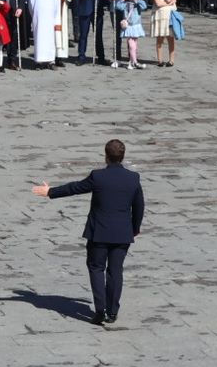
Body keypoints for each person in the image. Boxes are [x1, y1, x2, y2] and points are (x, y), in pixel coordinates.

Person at [31, 138, 145, 326]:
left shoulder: (98, 176)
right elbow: (139, 206)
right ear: (122, 157)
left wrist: (50, 191)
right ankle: (112, 312)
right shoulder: (133, 178)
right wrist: (135, 228)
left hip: (99, 233)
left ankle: (100, 309)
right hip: (122, 234)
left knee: (96, 268)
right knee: (115, 271)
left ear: (106, 156)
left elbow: (75, 188)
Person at [28, 0, 63, 70]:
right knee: (39, 40)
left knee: (50, 40)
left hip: (49, 20)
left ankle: (51, 61)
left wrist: (54, 19)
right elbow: (31, 7)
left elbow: (56, 7)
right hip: (38, 20)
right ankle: (38, 61)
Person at [119, 0, 147, 71]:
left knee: (134, 45)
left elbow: (144, 6)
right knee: (131, 45)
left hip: (136, 25)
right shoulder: (125, 3)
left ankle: (131, 62)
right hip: (128, 26)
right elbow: (118, 6)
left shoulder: (137, 3)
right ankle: (135, 62)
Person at [151, 0, 177, 68]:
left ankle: (171, 60)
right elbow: (158, 3)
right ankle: (160, 60)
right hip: (160, 18)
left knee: (171, 40)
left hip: (169, 18)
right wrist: (169, 3)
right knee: (159, 40)